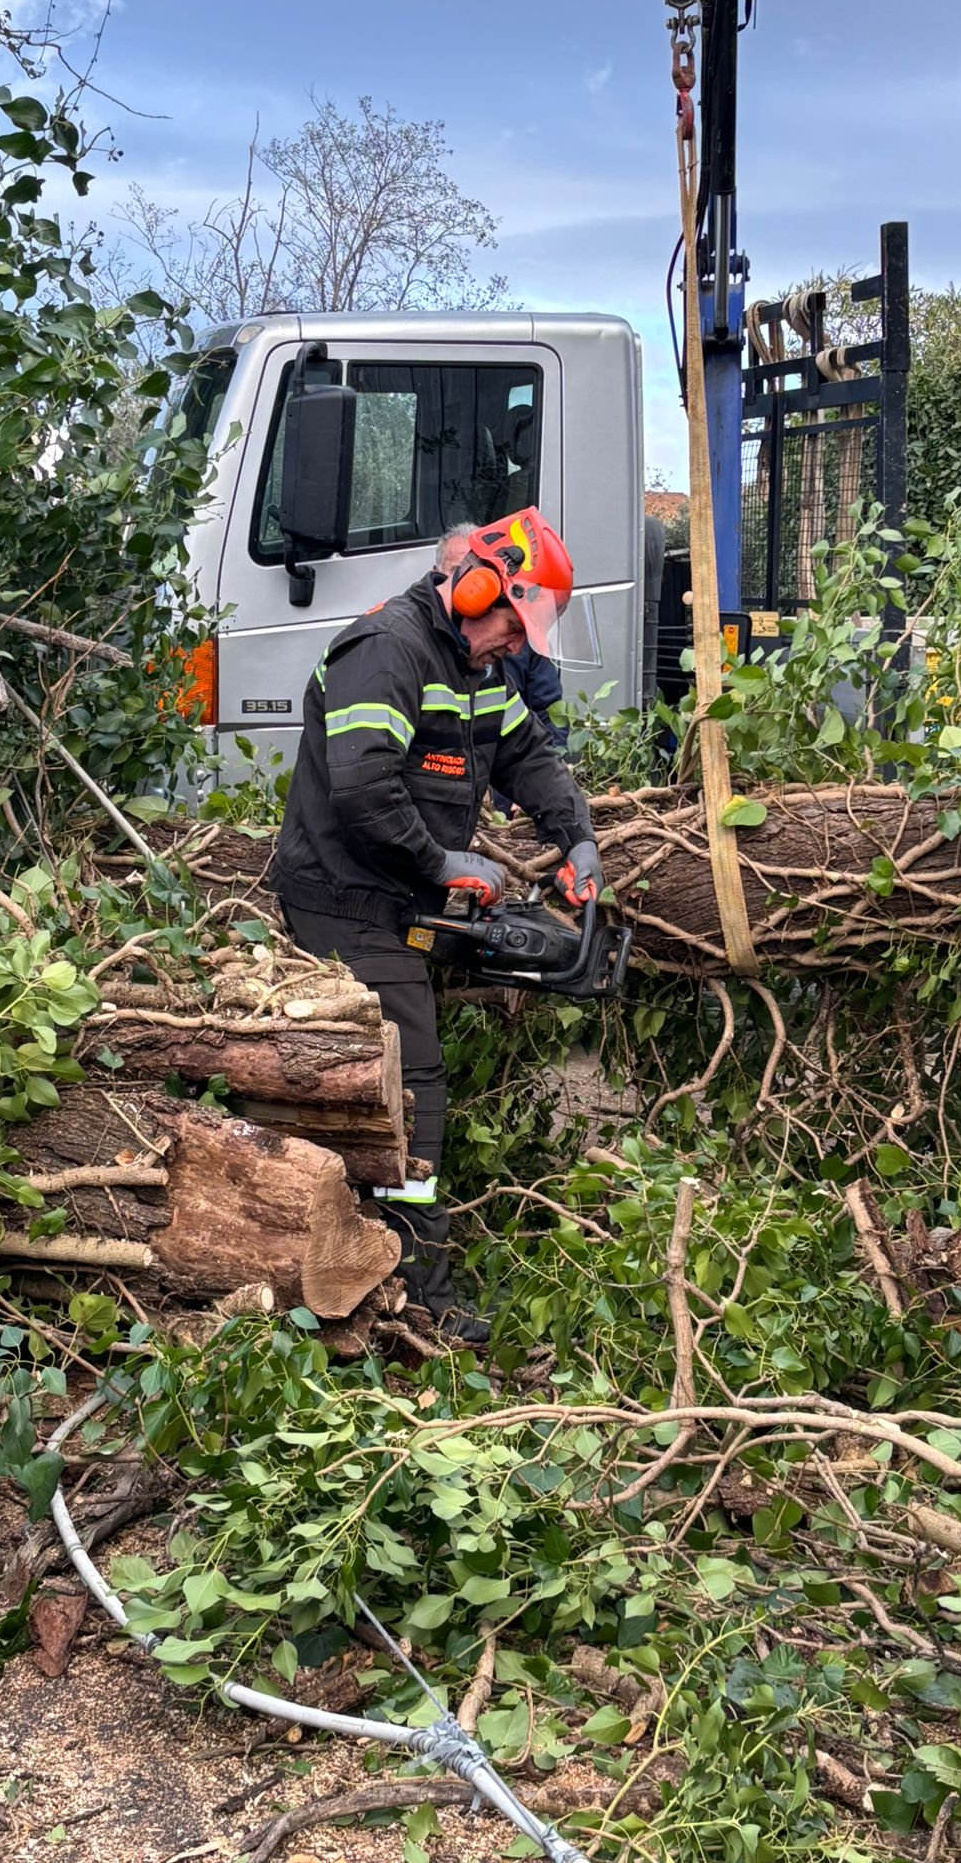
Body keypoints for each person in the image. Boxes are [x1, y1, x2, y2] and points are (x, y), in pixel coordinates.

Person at [272, 507, 602, 1346]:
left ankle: (372, 1247)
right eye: (512, 625)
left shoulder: (474, 665)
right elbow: (363, 789)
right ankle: (421, 1296)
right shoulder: (389, 650)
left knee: (394, 1072)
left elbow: (527, 754)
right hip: (342, 897)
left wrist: (576, 836)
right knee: (412, 1083)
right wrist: (445, 863)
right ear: (479, 587)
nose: (515, 645)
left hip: (399, 897)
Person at [437, 527, 568, 752]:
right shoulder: (399, 646)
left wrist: (555, 767)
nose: (516, 647)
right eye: (513, 628)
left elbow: (532, 739)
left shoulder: (494, 664)